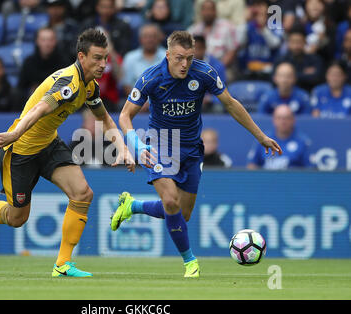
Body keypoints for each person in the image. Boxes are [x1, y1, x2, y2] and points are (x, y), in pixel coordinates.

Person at [0, 29, 135, 278]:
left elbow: (105, 119)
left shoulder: (89, 87)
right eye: (97, 58)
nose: (103, 64)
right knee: (17, 217)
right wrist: (15, 134)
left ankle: (62, 265)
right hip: (20, 150)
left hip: (49, 144)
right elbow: (40, 108)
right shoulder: (68, 83)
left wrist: (123, 149)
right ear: (82, 56)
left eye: (105, 58)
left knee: (83, 193)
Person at [111, 31, 281, 278]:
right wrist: (137, 146)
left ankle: (132, 206)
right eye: (179, 58)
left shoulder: (204, 73)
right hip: (159, 145)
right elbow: (125, 116)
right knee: (171, 202)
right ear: (167, 55)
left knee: (183, 214)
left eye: (189, 58)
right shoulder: (150, 77)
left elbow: (231, 104)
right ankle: (190, 262)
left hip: (191, 149)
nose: (184, 64)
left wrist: (261, 136)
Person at [247, 104, 311, 170]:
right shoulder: (264, 139)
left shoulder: (302, 142)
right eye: (279, 118)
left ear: (293, 120)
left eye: (286, 118)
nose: (283, 122)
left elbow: (309, 170)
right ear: (273, 120)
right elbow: (252, 165)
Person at [17, 26, 68, 103]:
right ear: (37, 41)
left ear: (55, 42)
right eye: (43, 40)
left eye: (50, 40)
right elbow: (20, 89)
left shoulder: (64, 63)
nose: (47, 44)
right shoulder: (29, 63)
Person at [187, 0, 238, 70]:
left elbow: (232, 51)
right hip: (198, 70)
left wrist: (218, 69)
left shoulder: (227, 27)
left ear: (215, 11)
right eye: (205, 10)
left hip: (222, 68)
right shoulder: (194, 30)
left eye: (210, 9)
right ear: (201, 12)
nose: (207, 13)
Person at [121, 23, 166, 97]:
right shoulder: (130, 57)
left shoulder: (167, 57)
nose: (149, 40)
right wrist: (139, 102)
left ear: (159, 38)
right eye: (146, 36)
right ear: (140, 39)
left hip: (162, 102)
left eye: (153, 36)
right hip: (135, 103)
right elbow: (126, 85)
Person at [273, 27, 324, 92]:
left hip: (308, 94)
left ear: (305, 42)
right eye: (293, 42)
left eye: (299, 42)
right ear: (288, 43)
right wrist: (303, 74)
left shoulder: (315, 59)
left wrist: (287, 76)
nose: (296, 46)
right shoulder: (281, 60)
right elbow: (274, 80)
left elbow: (316, 78)